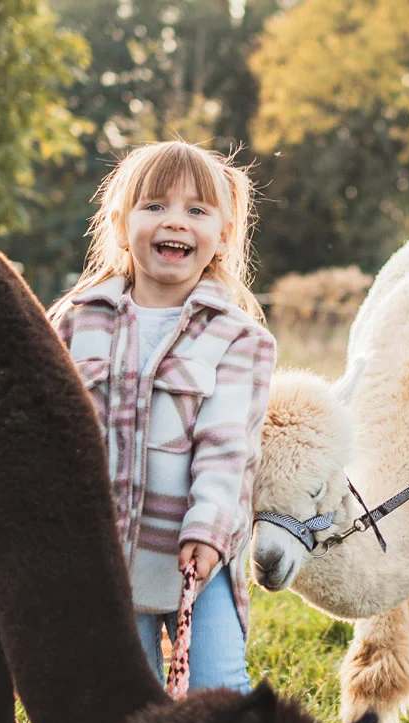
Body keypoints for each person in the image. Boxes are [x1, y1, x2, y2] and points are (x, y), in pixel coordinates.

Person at [49, 141, 276, 693]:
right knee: (127, 693)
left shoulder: (238, 337)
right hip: (102, 554)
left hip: (194, 552)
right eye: (154, 206)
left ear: (223, 235)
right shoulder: (76, 323)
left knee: (218, 686)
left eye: (197, 211)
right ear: (120, 223)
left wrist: (208, 528)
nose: (175, 221)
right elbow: (49, 436)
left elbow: (228, 449)